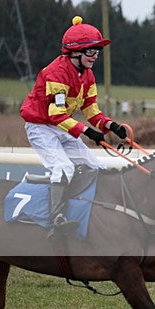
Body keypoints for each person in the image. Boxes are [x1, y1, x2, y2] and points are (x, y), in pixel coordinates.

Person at [20, 16, 128, 238]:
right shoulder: (56, 73)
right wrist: (88, 132)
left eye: (98, 51)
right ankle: (56, 220)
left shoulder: (87, 74)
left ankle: (90, 212)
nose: (95, 56)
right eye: (91, 51)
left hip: (60, 126)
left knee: (95, 166)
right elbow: (56, 114)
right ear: (75, 52)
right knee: (63, 168)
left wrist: (111, 126)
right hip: (40, 127)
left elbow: (91, 110)